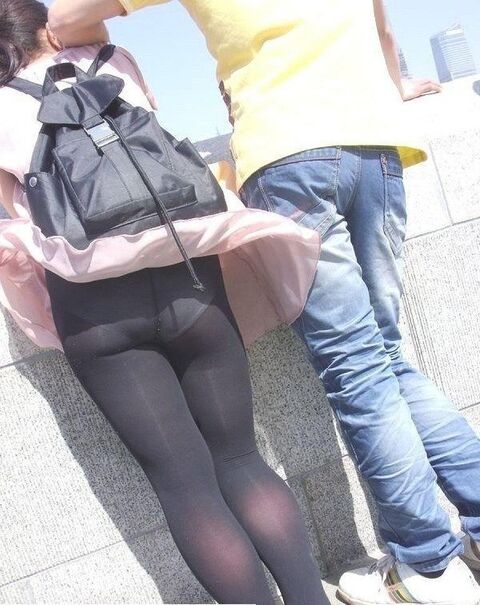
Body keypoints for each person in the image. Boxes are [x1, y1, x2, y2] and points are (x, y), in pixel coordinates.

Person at [47, 1, 480, 604]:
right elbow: (381, 26)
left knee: (358, 367)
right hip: (377, 143)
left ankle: (427, 567)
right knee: (387, 355)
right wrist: (396, 84)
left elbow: (65, 20)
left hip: (289, 153)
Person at [0, 2, 334, 603]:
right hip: (189, 282)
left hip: (95, 310)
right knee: (241, 459)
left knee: (186, 486)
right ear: (46, 23)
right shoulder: (115, 63)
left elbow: (20, 217)